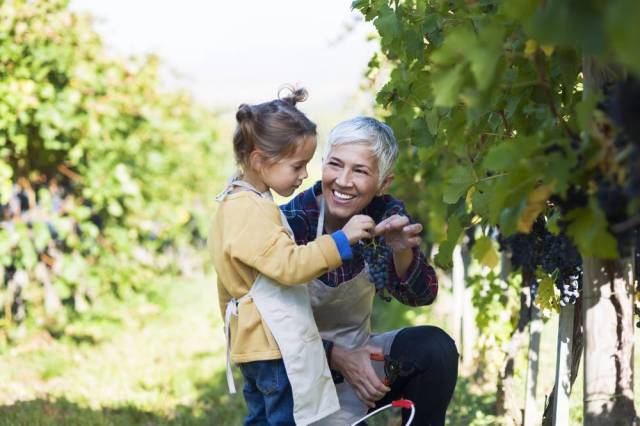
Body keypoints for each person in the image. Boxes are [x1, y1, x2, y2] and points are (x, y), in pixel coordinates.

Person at [208, 88, 376, 426]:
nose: (304, 176)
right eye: (297, 166)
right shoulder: (249, 209)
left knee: (261, 420)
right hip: (272, 346)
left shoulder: (237, 202)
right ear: (258, 160)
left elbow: (226, 286)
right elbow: (290, 266)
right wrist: (342, 239)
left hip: (255, 343)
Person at [281, 116, 459, 425]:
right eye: (335, 165)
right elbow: (264, 327)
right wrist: (336, 355)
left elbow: (422, 296)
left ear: (383, 183)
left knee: (434, 349)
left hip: (359, 356)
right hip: (294, 376)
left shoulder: (384, 215)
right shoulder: (291, 222)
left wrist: (401, 250)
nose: (343, 180)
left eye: (360, 170)